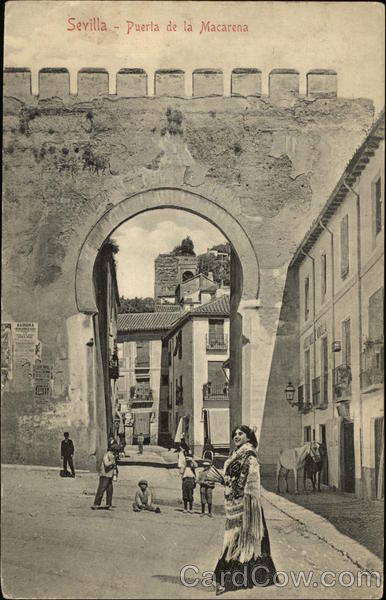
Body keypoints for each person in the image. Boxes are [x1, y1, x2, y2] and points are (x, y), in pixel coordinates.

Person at [213, 425, 278, 594]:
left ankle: (231, 582)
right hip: (235, 505)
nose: (236, 436)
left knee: (242, 541)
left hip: (247, 507)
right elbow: (231, 478)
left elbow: (253, 484)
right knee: (235, 540)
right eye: (234, 433)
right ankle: (252, 577)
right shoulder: (236, 454)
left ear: (248, 437)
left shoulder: (250, 457)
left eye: (240, 434)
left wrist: (249, 507)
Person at [91, 441, 118, 510]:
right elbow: (106, 464)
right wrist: (112, 462)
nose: (116, 447)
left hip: (110, 475)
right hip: (105, 475)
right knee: (101, 489)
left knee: (110, 490)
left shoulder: (112, 455)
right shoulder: (107, 455)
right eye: (114, 446)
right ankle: (96, 504)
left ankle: (109, 504)